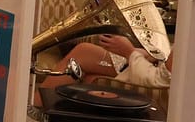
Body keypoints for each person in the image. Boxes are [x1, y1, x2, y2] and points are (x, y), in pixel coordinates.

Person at [41, 33, 173, 92]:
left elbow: (159, 81)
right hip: (153, 62)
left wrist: (129, 52)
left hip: (150, 81)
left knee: (84, 52)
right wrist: (150, 54)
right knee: (86, 63)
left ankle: (36, 112)